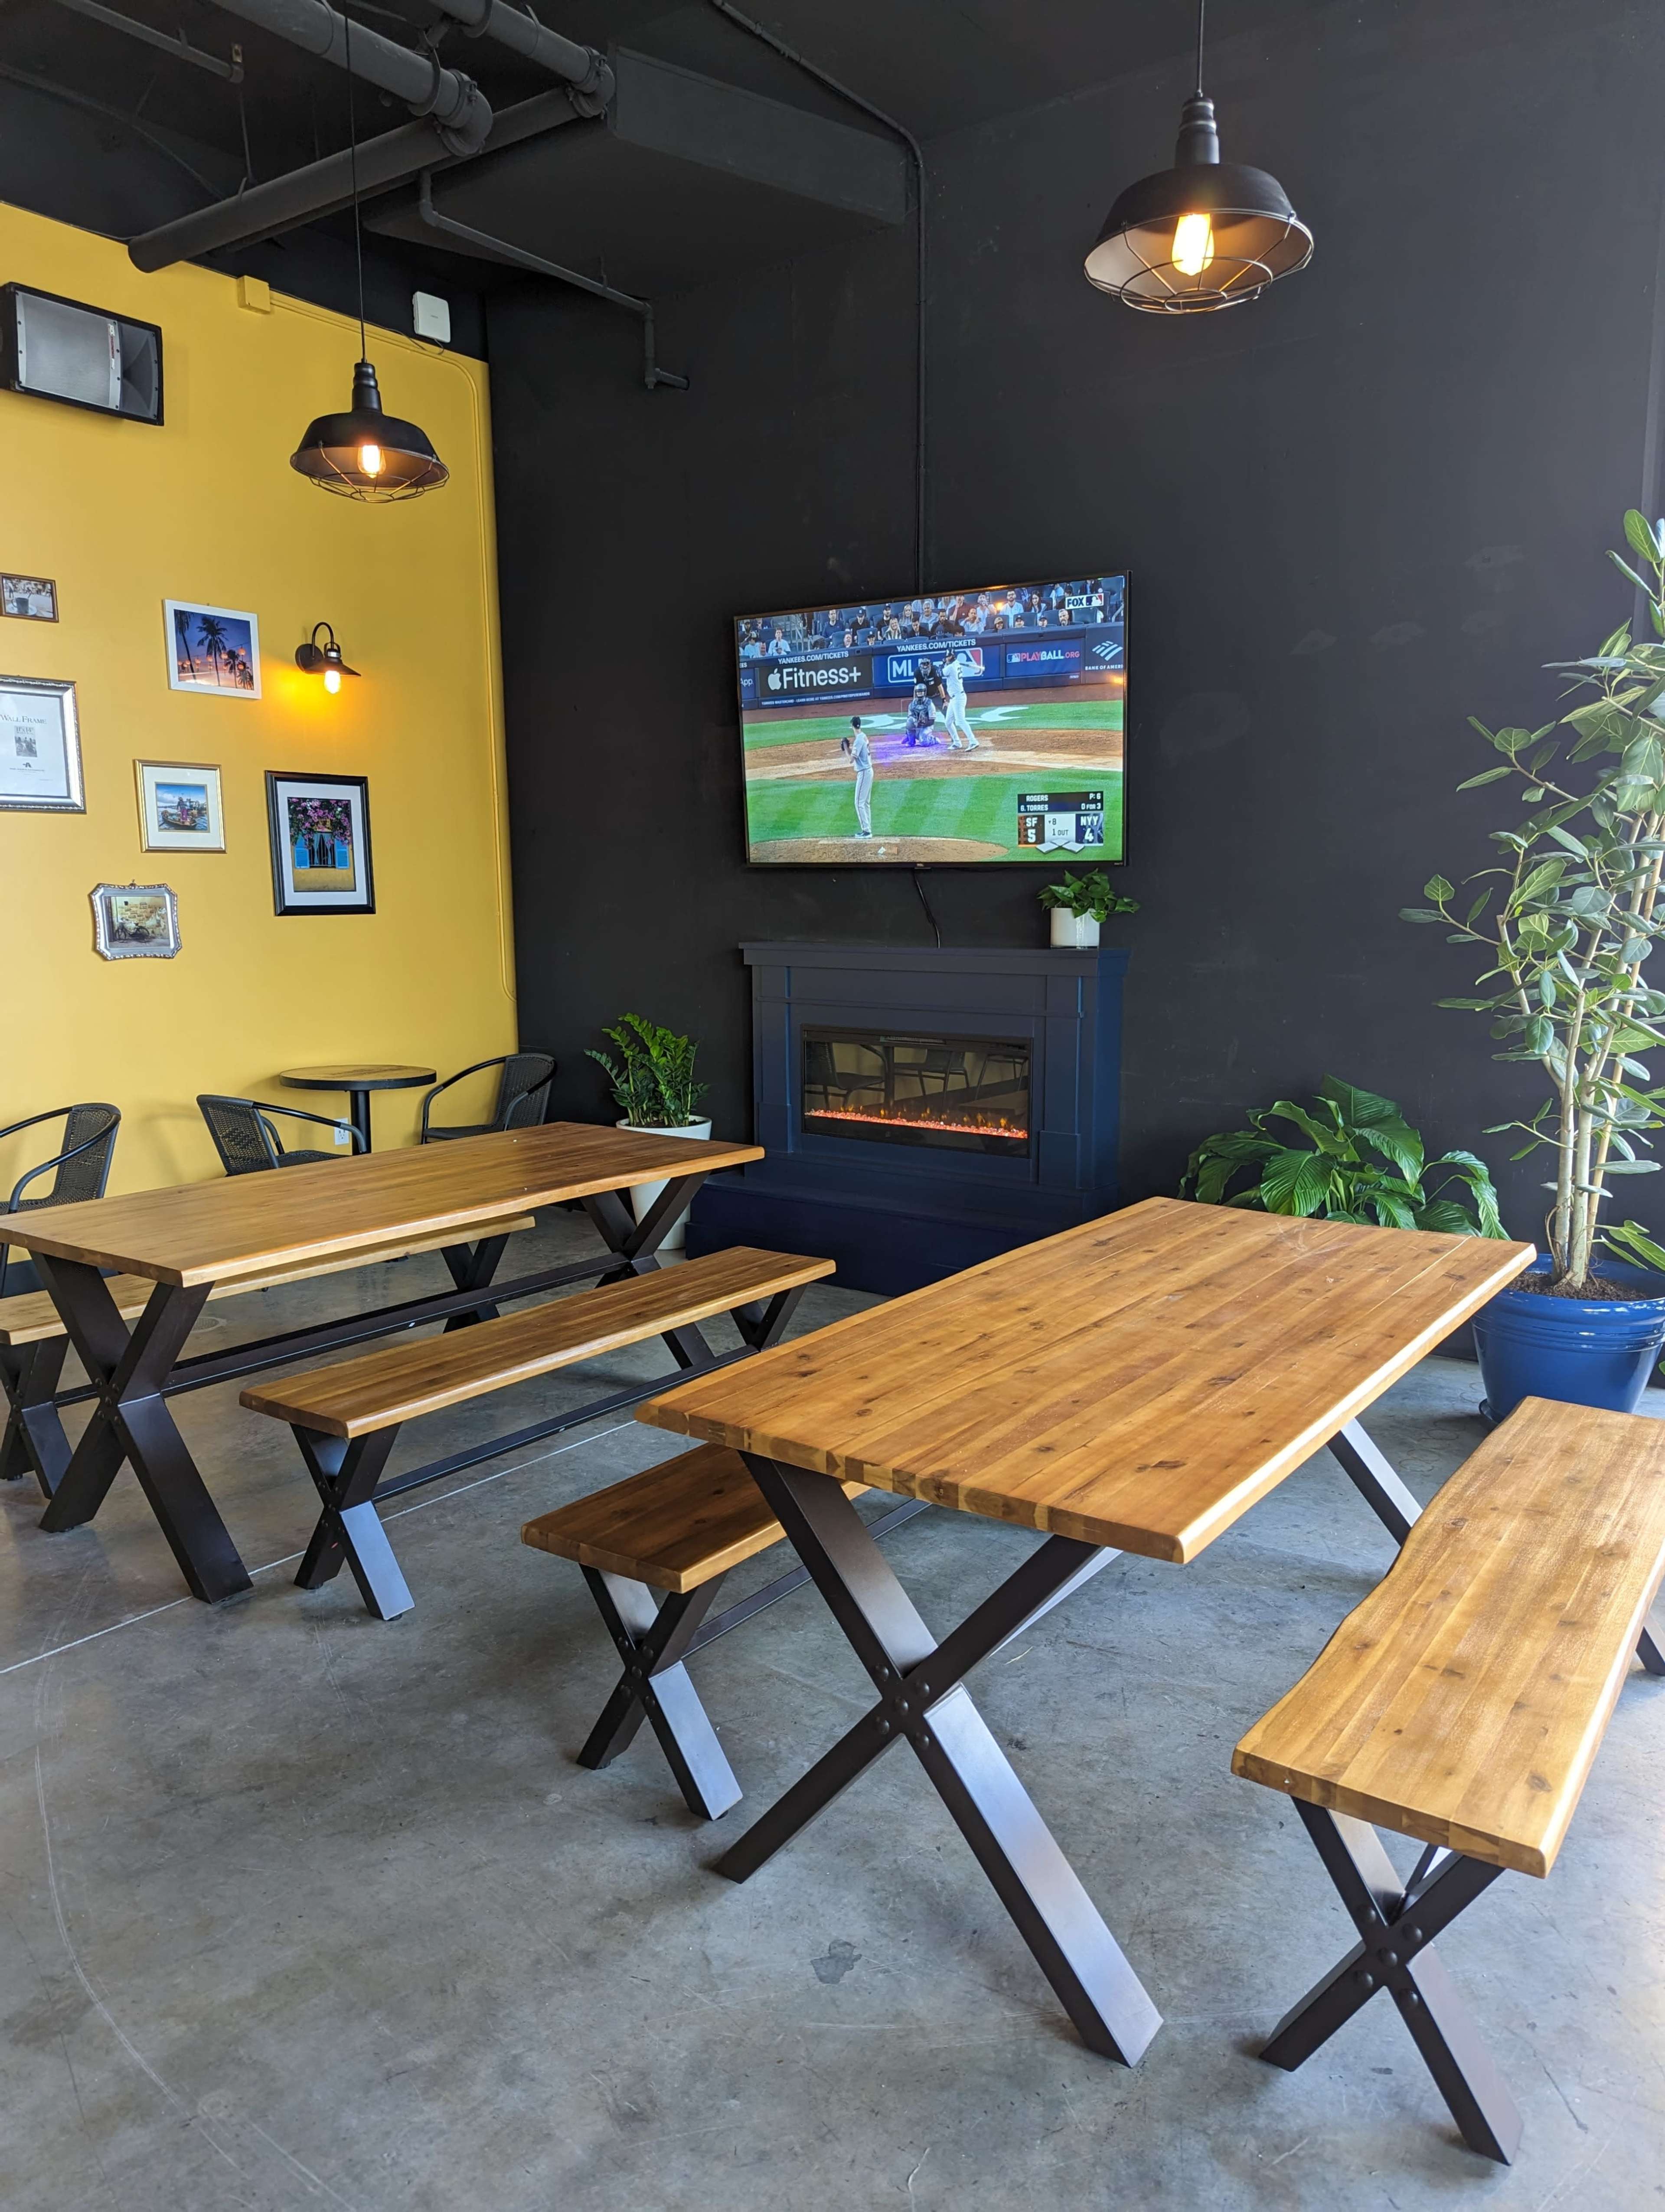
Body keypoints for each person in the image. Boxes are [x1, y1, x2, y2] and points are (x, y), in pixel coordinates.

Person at [841, 715, 875, 836]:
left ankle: (866, 831)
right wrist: (849, 748)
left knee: (859, 803)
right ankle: (868, 829)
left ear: (852, 726)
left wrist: (845, 748)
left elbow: (851, 760)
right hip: (868, 770)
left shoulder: (859, 740)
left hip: (864, 772)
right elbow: (856, 756)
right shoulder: (863, 736)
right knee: (865, 803)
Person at [941, 648, 979, 751]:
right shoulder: (956, 664)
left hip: (958, 697)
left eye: (948, 657)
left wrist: (943, 664)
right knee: (948, 722)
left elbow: (941, 673)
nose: (947, 658)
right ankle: (957, 743)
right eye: (946, 657)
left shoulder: (951, 667)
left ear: (953, 657)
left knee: (960, 721)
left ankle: (973, 741)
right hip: (954, 699)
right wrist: (946, 663)